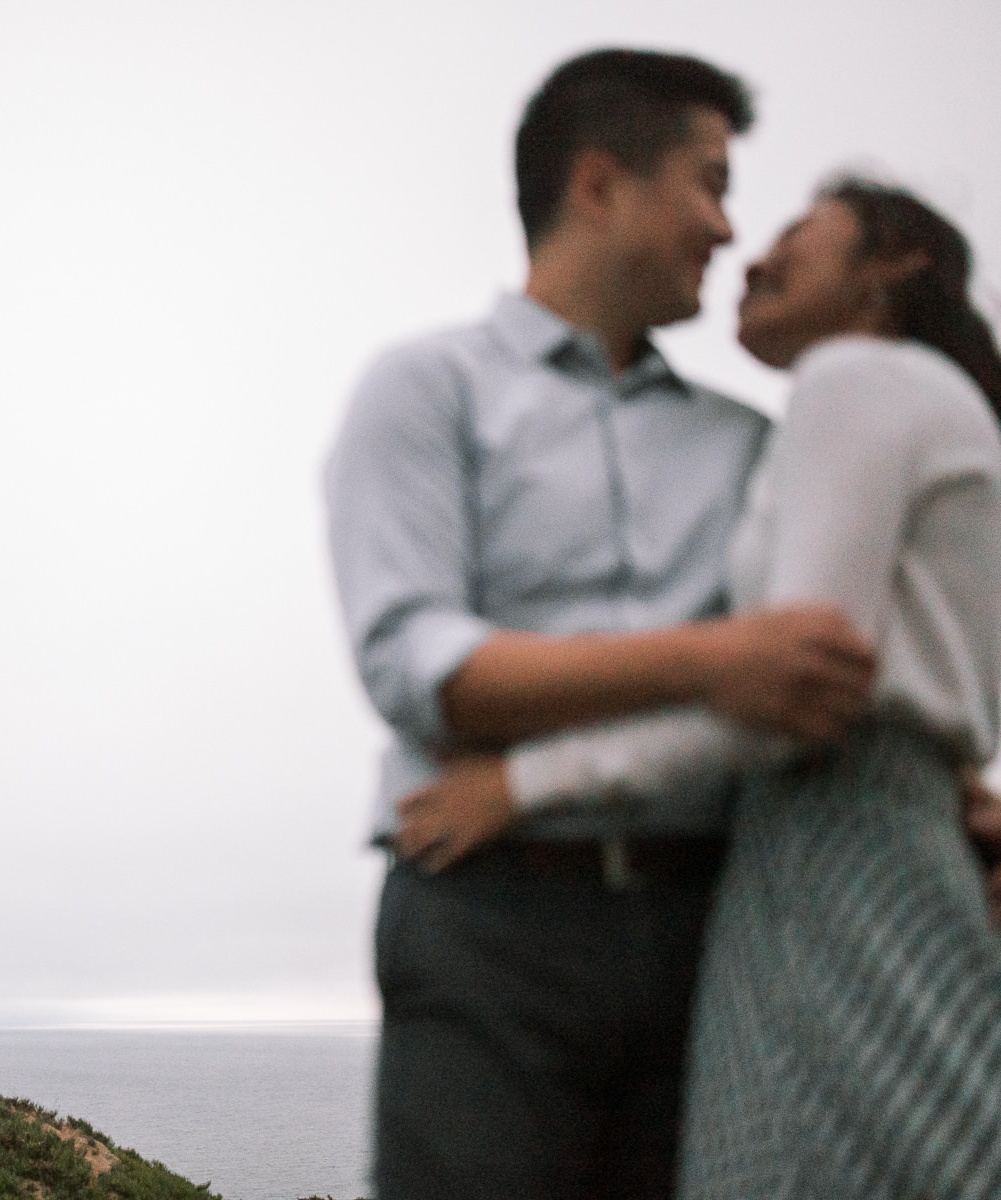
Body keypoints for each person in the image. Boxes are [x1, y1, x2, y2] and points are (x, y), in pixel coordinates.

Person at [325, 48, 882, 1200]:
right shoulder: (425, 390)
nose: (728, 229)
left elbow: (817, 675)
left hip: (725, 924)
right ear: (597, 185)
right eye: (708, 181)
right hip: (486, 919)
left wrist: (948, 800)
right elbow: (421, 668)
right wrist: (711, 659)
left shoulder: (748, 443)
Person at [397, 179, 1001, 1197]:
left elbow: (793, 702)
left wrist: (523, 785)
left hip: (829, 864)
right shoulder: (940, 406)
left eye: (797, 236)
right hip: (881, 853)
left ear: (895, 264)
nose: (751, 256)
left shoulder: (854, 380)